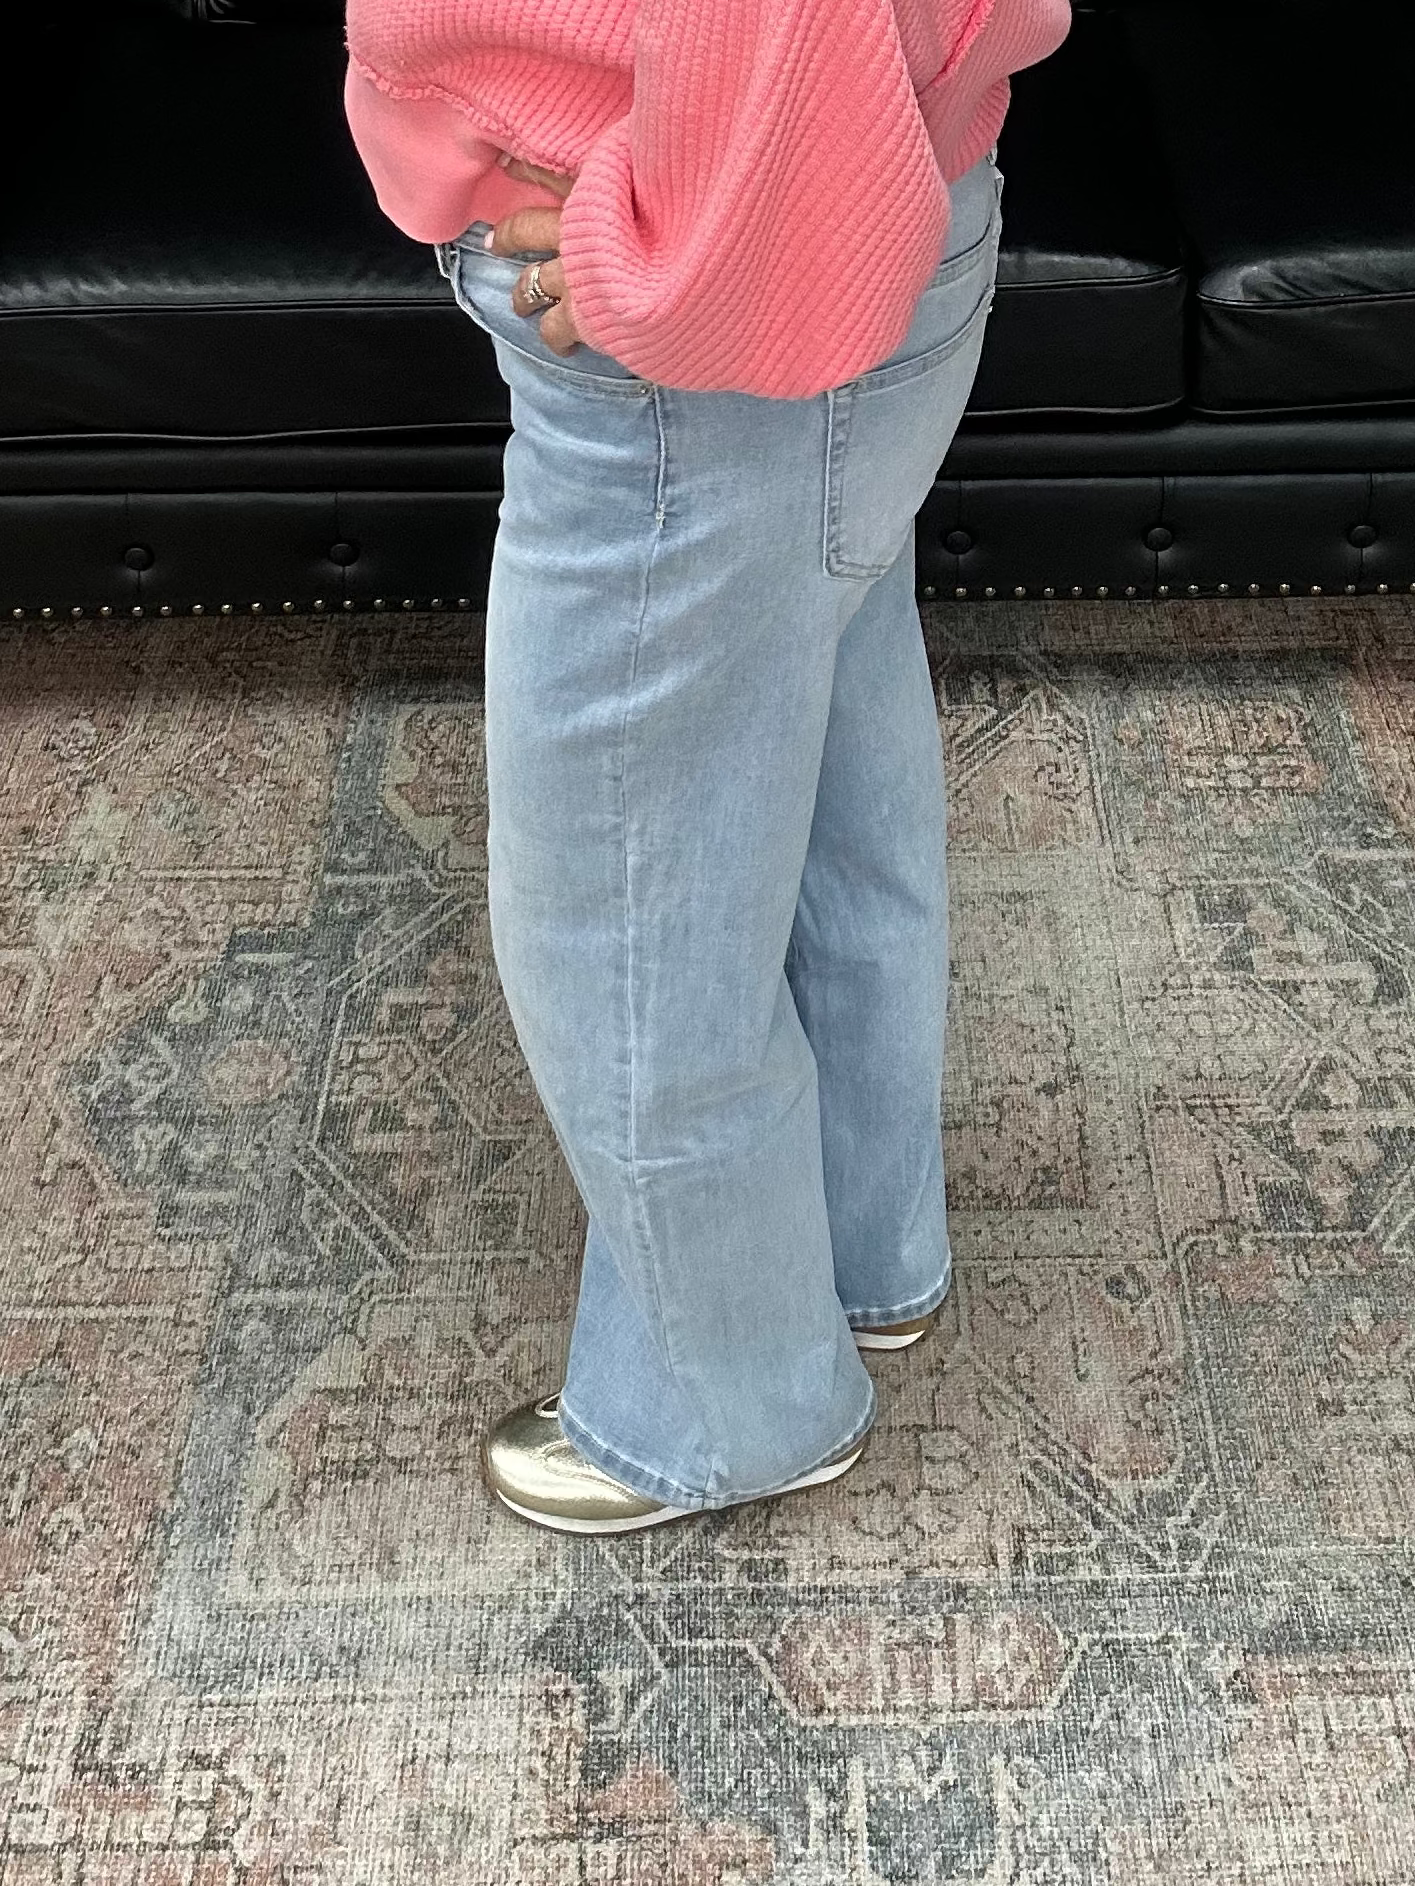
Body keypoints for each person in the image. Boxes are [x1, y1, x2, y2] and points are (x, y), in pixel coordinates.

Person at [342, 0, 1073, 1534]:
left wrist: (675, 266)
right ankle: (858, 1257)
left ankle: (726, 1404)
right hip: (869, 192)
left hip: (719, 285)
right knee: (824, 796)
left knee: (621, 914)